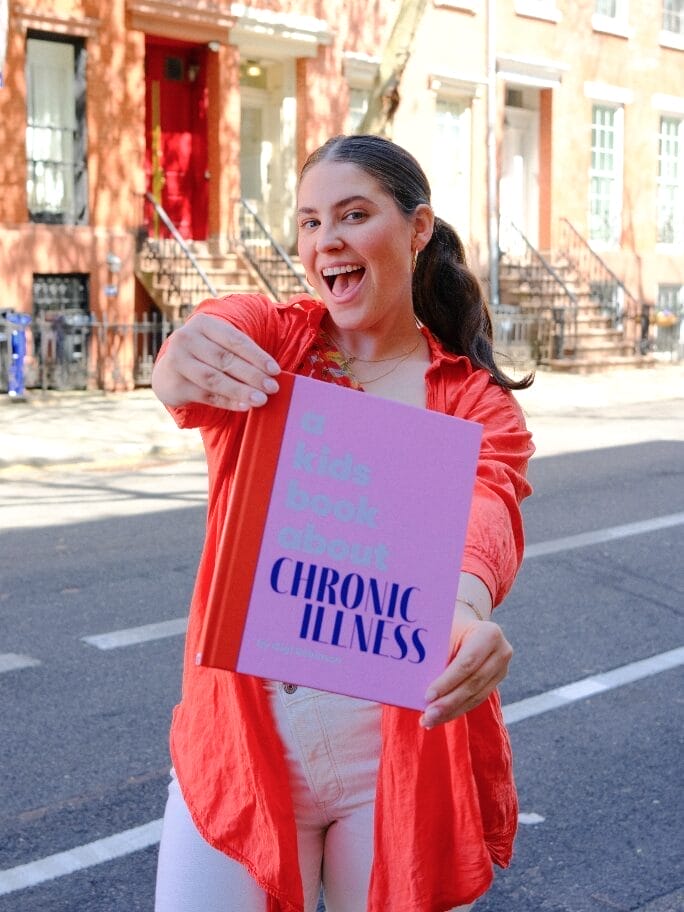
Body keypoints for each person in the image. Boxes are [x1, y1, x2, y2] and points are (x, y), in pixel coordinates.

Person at [151, 134, 535, 912]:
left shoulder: (472, 402)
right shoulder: (275, 338)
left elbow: (486, 515)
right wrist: (180, 356)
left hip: (392, 751)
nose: (327, 239)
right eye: (309, 222)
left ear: (417, 228)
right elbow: (203, 342)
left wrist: (462, 612)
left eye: (354, 214)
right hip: (244, 735)